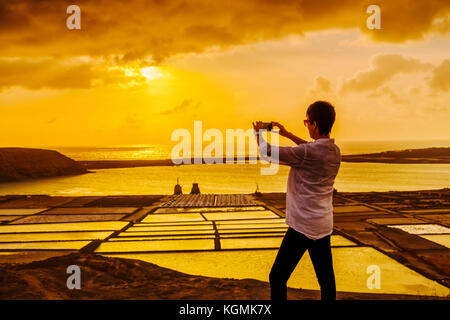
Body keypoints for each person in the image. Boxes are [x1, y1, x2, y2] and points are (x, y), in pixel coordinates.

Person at [252, 100, 341, 301]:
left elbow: (267, 152)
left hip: (302, 226)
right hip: (323, 225)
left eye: (306, 122)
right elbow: (312, 147)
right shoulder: (334, 151)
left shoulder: (308, 153)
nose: (306, 125)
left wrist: (258, 132)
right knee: (326, 281)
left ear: (315, 124)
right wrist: (287, 134)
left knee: (277, 277)